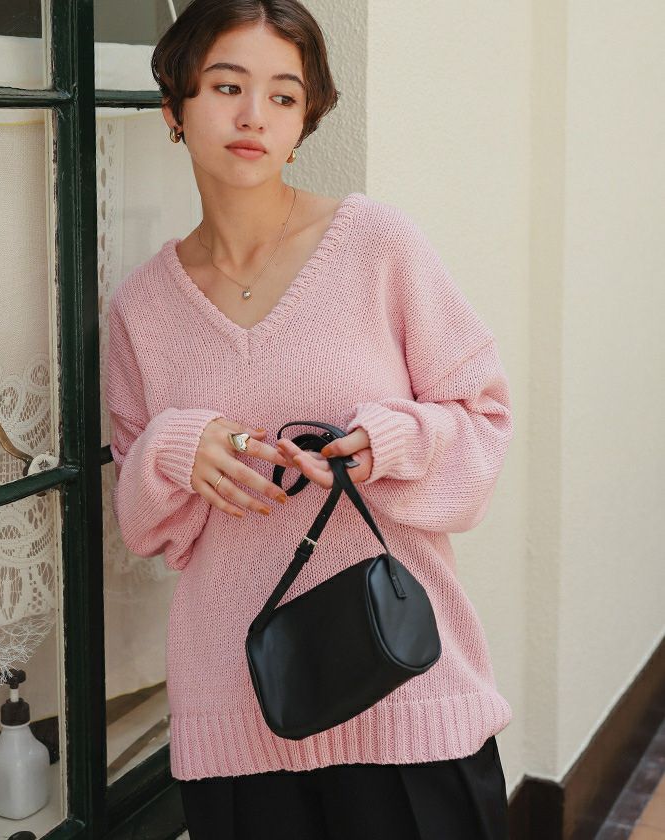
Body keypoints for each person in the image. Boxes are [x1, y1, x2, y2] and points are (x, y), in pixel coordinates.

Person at [106, 1, 514, 837]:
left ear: (304, 121)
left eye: (284, 96)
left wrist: (390, 443)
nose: (254, 115)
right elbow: (148, 528)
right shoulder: (141, 308)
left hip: (405, 698)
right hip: (239, 715)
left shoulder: (376, 245)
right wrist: (176, 449)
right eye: (227, 86)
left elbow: (484, 422)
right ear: (175, 107)